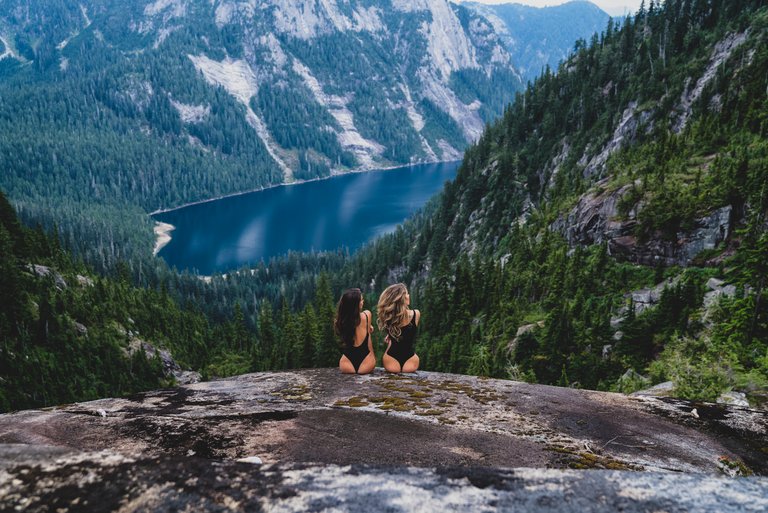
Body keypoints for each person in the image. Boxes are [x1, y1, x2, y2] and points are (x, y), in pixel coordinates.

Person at [377, 283, 420, 373]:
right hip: (411, 361)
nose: (409, 295)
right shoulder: (416, 314)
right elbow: (407, 336)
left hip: (390, 361)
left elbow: (398, 337)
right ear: (403, 298)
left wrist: (390, 337)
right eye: (407, 293)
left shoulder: (388, 317)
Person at [335, 288, 375, 374]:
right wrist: (372, 358)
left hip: (346, 363)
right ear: (356, 304)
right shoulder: (367, 315)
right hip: (366, 361)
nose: (363, 301)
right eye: (361, 300)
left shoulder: (342, 321)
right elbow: (368, 340)